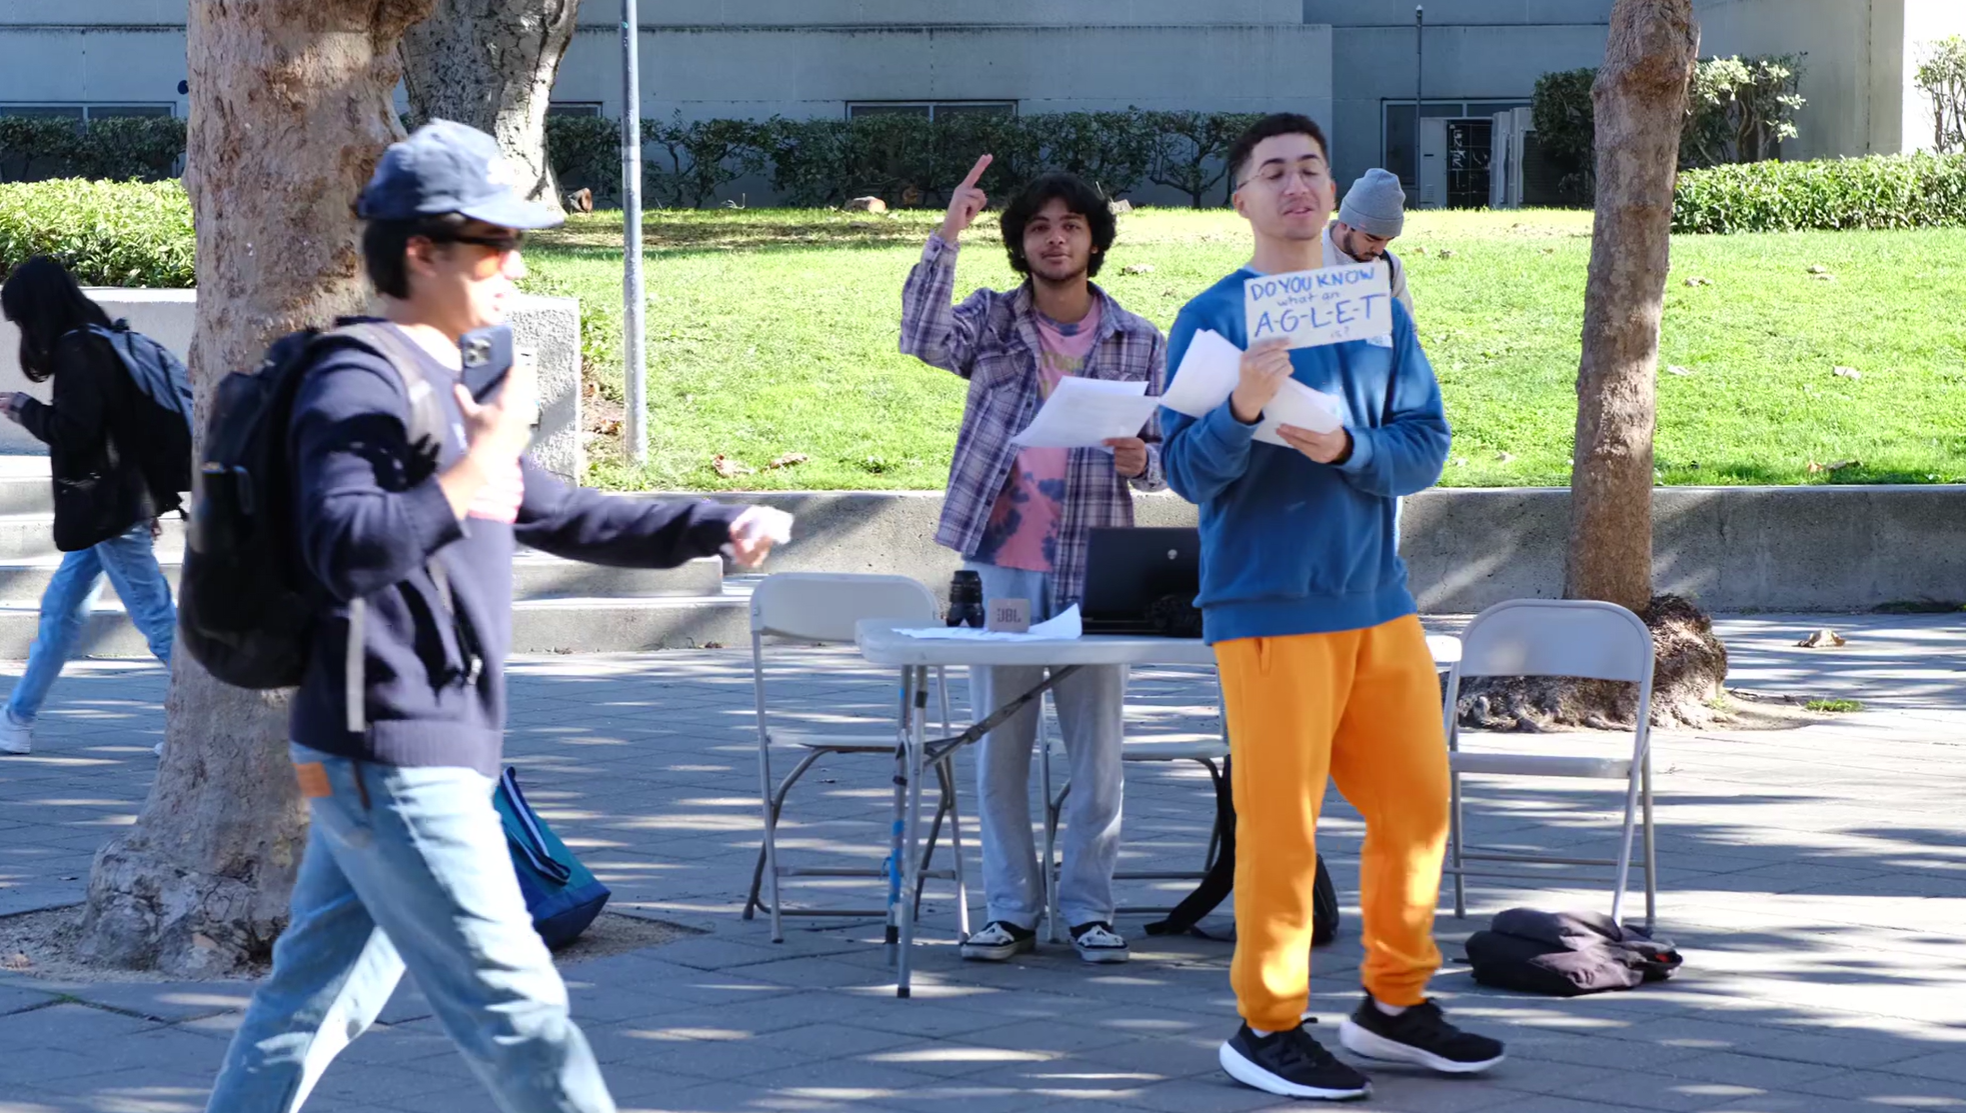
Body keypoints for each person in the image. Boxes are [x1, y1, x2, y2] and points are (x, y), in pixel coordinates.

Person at [204, 120, 788, 1113]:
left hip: (392, 756)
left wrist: (715, 520)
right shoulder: (362, 376)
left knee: (313, 1001)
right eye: (494, 244)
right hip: (392, 757)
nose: (514, 264)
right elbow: (345, 544)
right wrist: (479, 464)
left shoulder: (441, 376)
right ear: (421, 251)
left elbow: (565, 514)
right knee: (519, 1013)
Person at [1159, 114, 1504, 1101]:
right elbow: (1185, 471)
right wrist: (1236, 412)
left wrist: (1349, 451)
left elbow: (1423, 441)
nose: (1297, 183)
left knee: (1417, 807)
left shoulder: (1376, 307)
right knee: (1282, 823)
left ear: (1332, 192)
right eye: (1273, 171)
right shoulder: (1215, 316)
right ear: (1242, 201)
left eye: (1311, 167)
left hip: (1377, 601)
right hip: (1265, 609)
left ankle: (1392, 1006)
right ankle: (1265, 1025)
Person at [901, 160, 1166, 965]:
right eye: (1040, 227)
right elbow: (920, 336)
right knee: (1001, 744)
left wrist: (1140, 461)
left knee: (1096, 751)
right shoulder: (992, 320)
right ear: (1020, 242)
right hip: (1003, 560)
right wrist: (948, 234)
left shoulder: (1140, 339)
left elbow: (1168, 457)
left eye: (1071, 226)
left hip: (1096, 565)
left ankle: (1089, 907)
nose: (1056, 239)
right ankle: (1011, 908)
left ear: (1094, 239)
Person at [0, 257, 177, 758]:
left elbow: (76, 432)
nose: (23, 332)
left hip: (107, 510)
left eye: (21, 320)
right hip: (109, 507)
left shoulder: (80, 350)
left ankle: (206, 719)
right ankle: (17, 717)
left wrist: (24, 409)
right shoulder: (103, 339)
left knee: (157, 618)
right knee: (60, 611)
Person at [1324, 168, 1415, 318]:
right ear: (1345, 225)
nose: (1379, 250)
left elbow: (1408, 327)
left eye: (1388, 240)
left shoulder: (1389, 265)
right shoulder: (1302, 260)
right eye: (1372, 238)